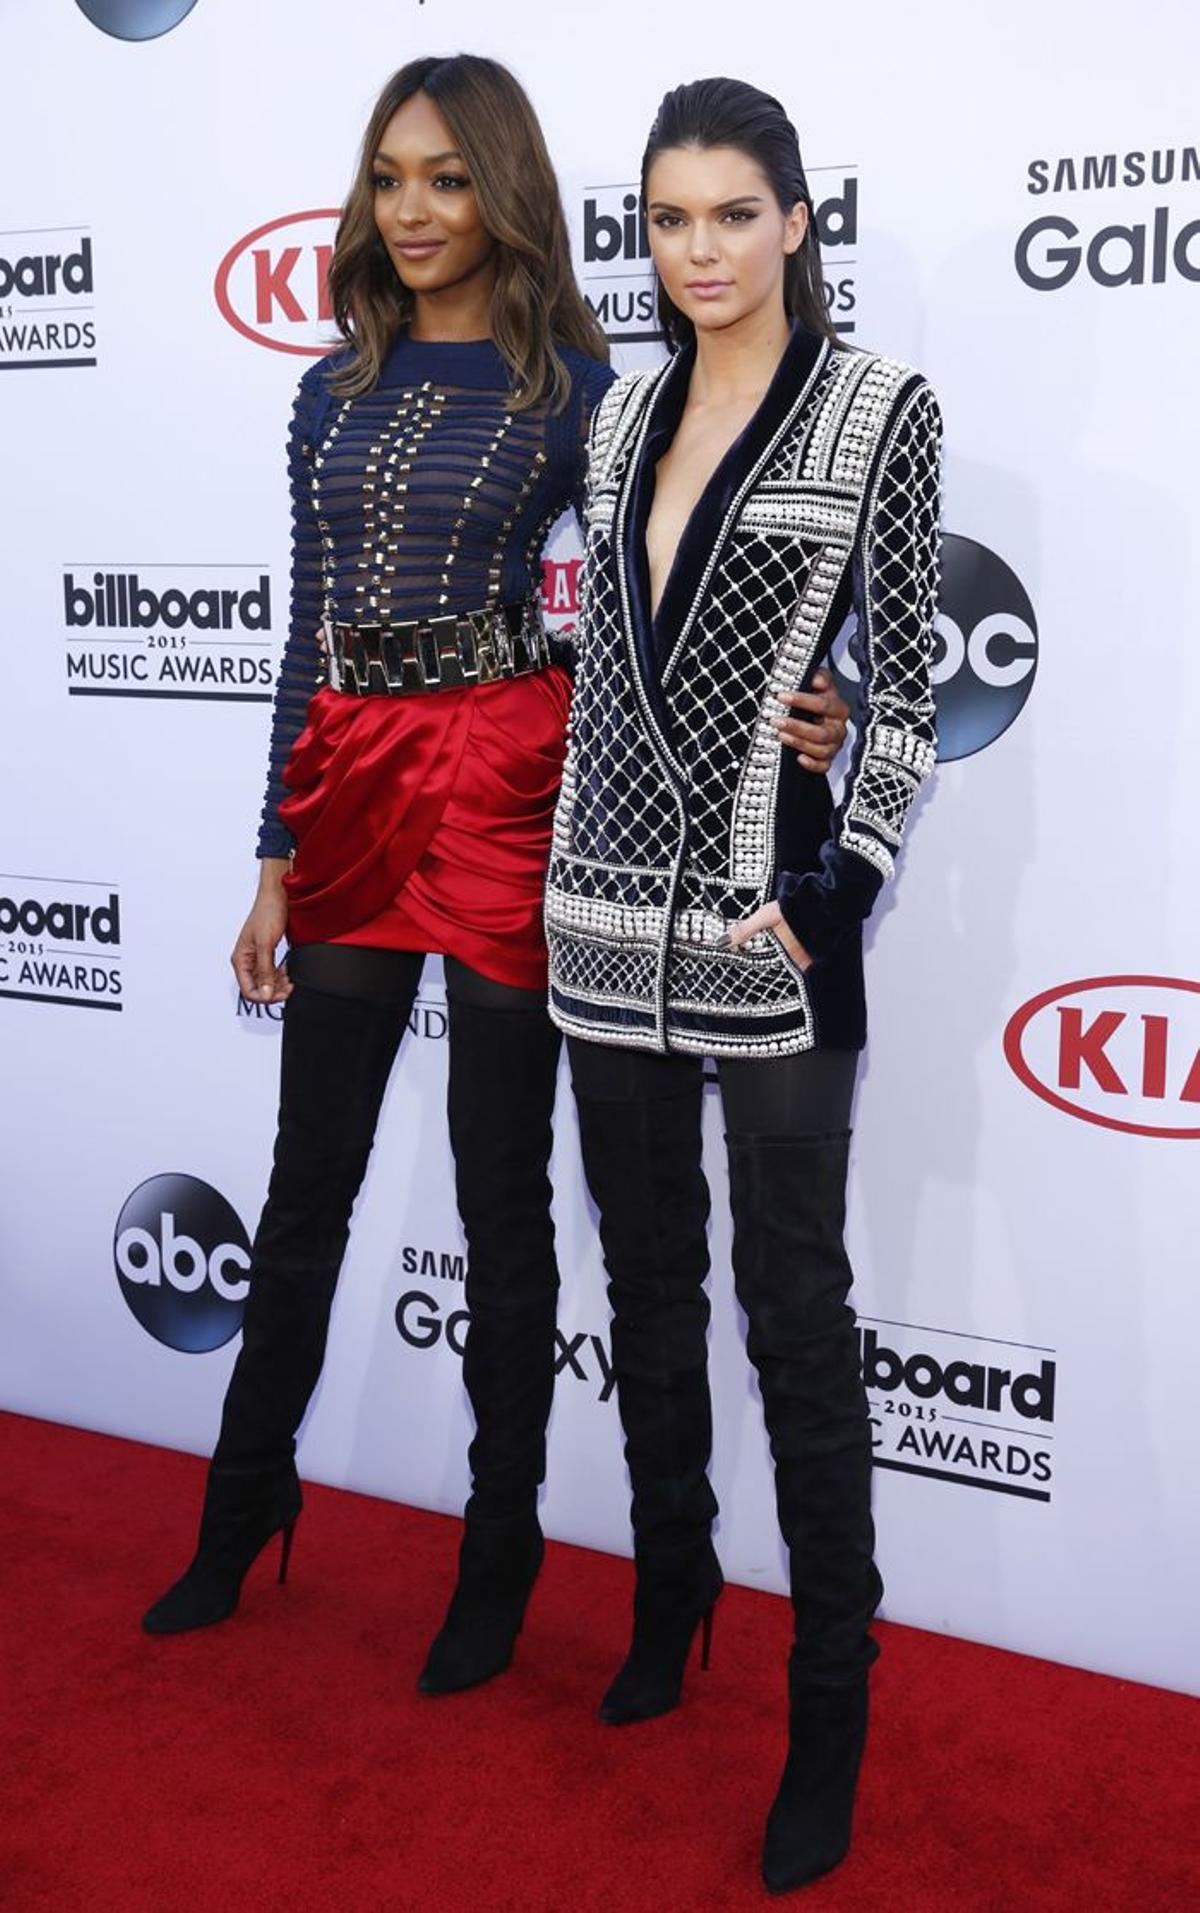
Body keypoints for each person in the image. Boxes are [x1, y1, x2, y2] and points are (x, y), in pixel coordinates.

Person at [140, 55, 851, 1700]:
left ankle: (502, 1545)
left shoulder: (584, 390)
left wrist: (819, 707)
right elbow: (302, 631)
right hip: (351, 780)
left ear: (505, 192)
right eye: (390, 176)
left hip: (507, 784)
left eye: (449, 178)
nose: (412, 208)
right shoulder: (329, 392)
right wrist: (274, 850)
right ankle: (243, 1504)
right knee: (305, 1177)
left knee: (498, 1195)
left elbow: (693, 578)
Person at [545, 78, 942, 1892]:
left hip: (769, 926)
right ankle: (673, 1582)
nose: (698, 250)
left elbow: (912, 689)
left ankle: (831, 1704)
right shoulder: (617, 413)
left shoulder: (881, 413)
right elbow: (601, 662)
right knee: (643, 1282)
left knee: (797, 1311)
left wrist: (841, 875)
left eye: (732, 213)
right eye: (668, 218)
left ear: (797, 218)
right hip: (599, 916)